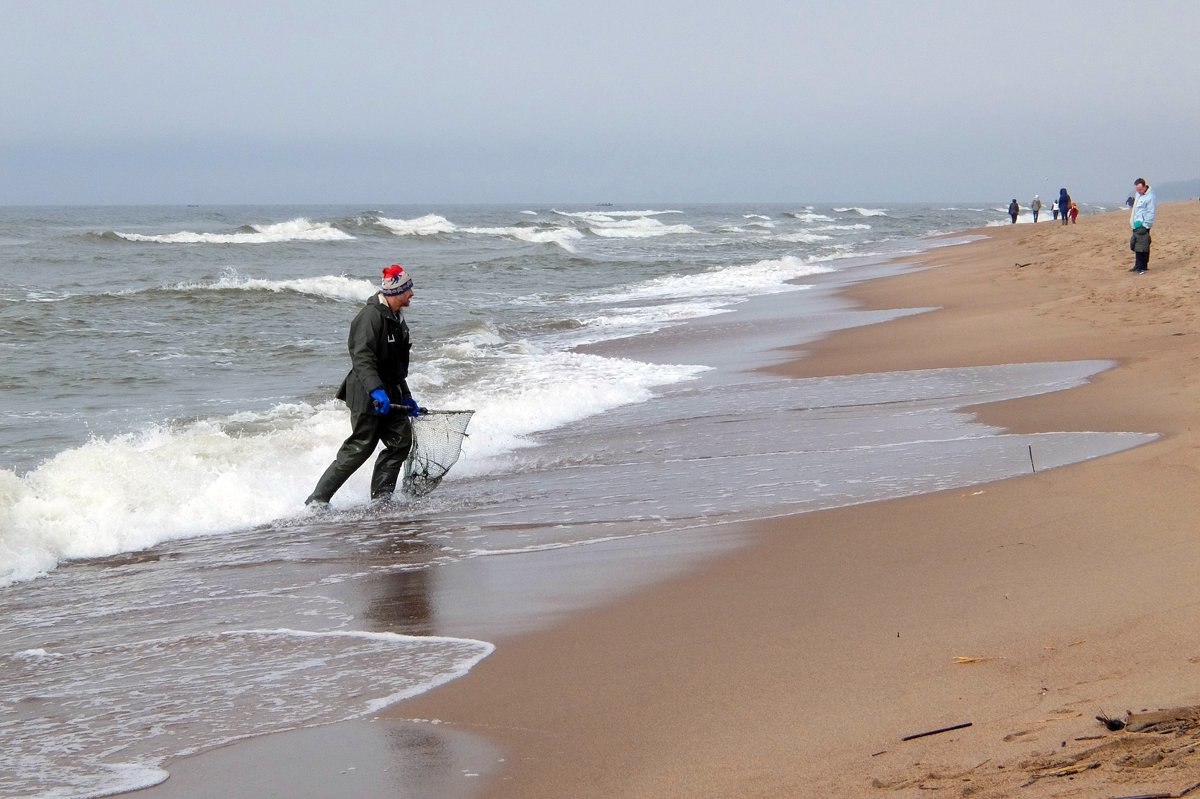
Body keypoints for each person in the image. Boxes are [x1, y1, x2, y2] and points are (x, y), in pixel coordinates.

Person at [306, 264, 422, 506]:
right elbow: (362, 358)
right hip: (366, 394)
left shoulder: (398, 320)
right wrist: (375, 391)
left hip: (391, 393)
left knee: (401, 441)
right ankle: (317, 501)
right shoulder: (370, 317)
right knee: (360, 448)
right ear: (396, 291)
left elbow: (397, 367)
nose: (412, 293)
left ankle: (381, 498)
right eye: (408, 289)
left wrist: (406, 396)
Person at [1128, 177, 1157, 273]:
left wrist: (1145, 225)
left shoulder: (1150, 196)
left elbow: (1151, 212)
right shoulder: (1138, 194)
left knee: (1141, 246)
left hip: (1143, 225)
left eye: (1140, 189)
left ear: (1144, 186)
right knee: (1137, 245)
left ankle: (1141, 266)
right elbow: (1136, 209)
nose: (1139, 191)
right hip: (1136, 223)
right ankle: (1139, 265)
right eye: (1137, 190)